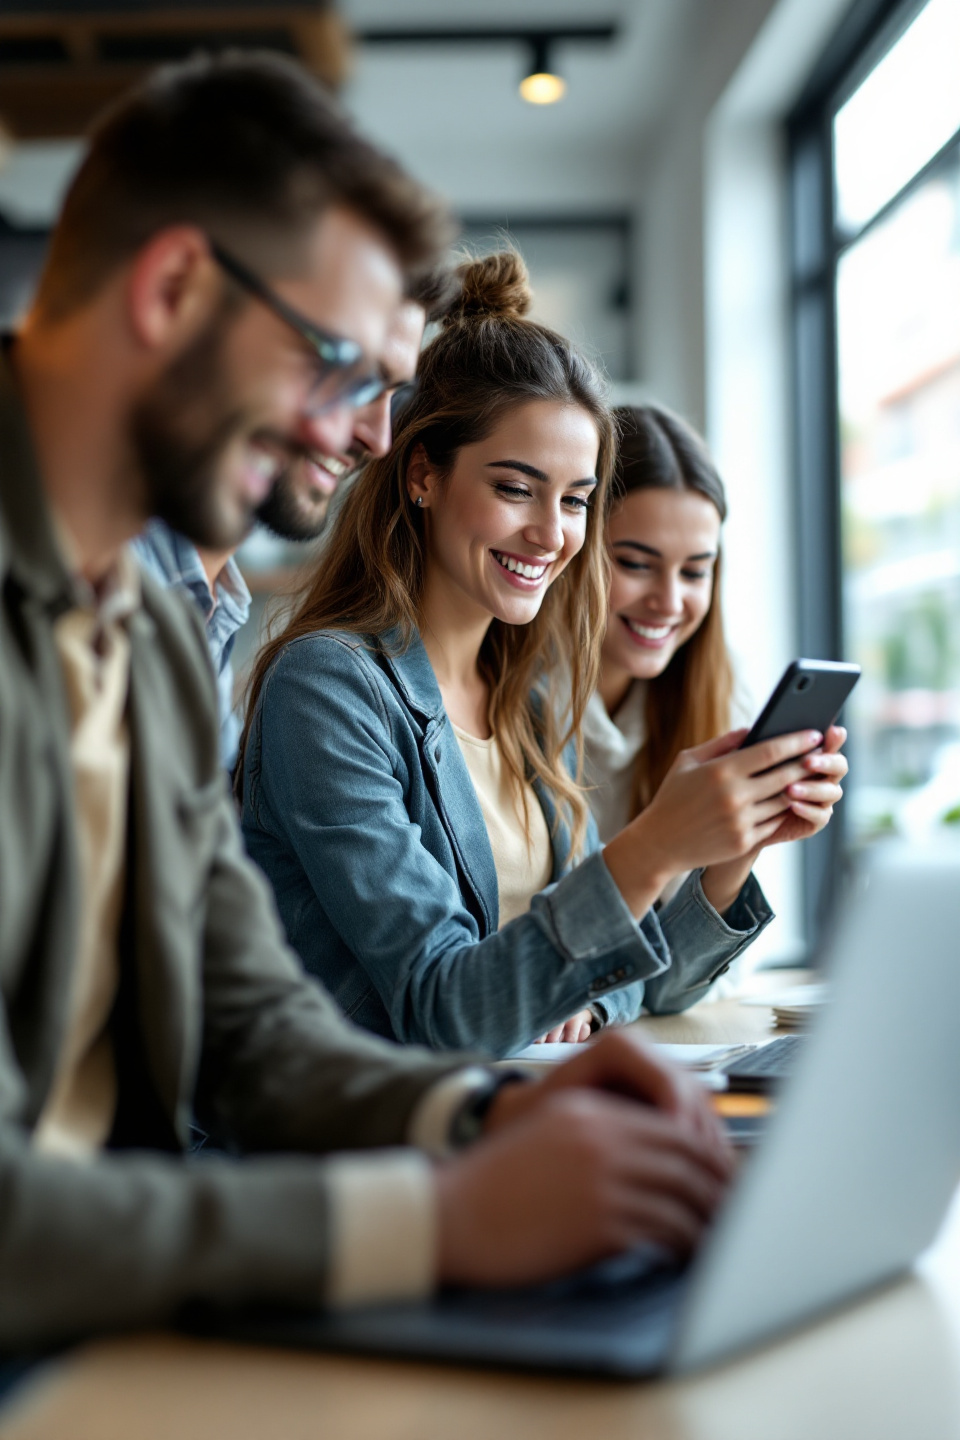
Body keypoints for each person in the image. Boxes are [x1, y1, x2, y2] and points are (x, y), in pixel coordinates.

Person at [0, 52, 733, 1352]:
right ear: (172, 291)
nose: (371, 438)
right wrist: (436, 1220)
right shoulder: (293, 671)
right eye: (341, 371)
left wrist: (490, 1116)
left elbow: (250, 1026)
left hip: (146, 1307)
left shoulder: (153, 635)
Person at [238, 252, 846, 1059]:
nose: (552, 534)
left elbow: (640, 981)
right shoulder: (329, 688)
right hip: (366, 1123)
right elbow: (444, 1008)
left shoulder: (523, 701)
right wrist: (654, 846)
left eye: (576, 500)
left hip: (514, 1103)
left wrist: (732, 848)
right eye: (515, 489)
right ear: (423, 476)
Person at [131, 270, 452, 770]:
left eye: (393, 395)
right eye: (351, 375)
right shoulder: (107, 582)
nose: (379, 439)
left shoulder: (214, 604)